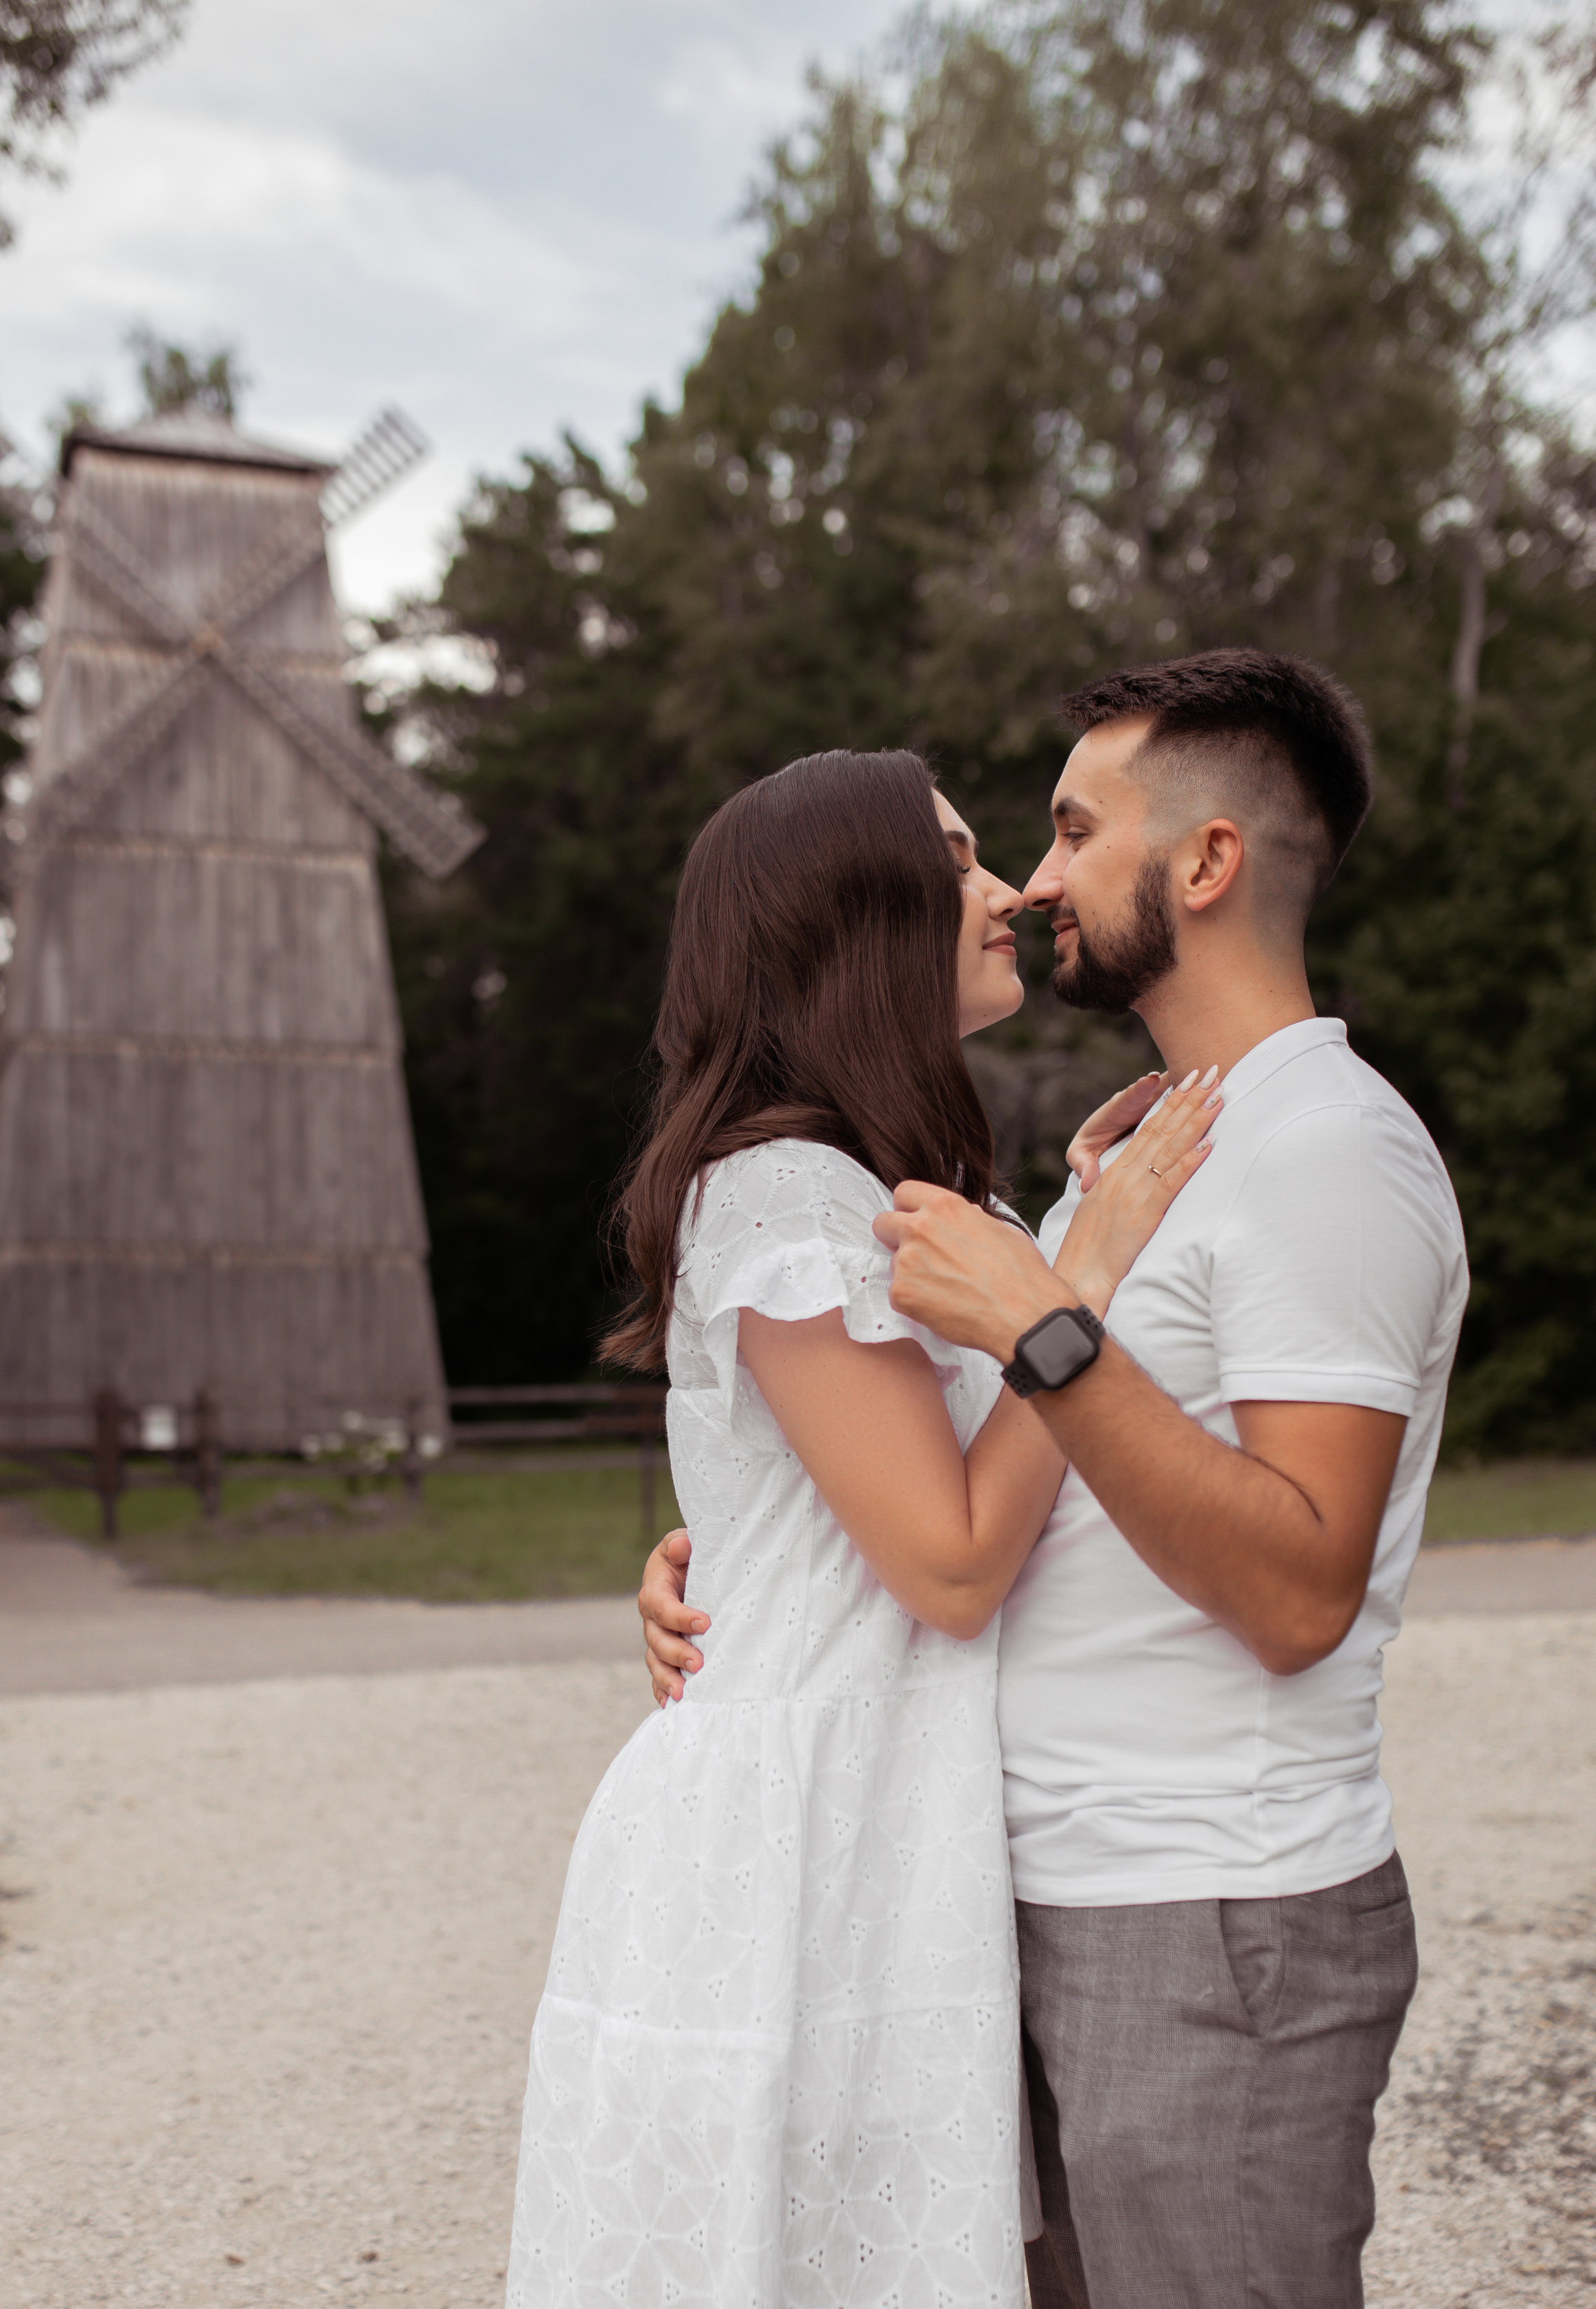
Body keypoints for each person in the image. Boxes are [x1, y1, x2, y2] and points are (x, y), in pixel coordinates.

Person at [641, 651, 1469, 2309]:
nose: (1028, 882)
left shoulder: (1323, 1148)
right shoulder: (1138, 1157)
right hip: (1010, 1891)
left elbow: (1299, 1589)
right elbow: (962, 1478)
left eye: (1072, 830)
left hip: (1203, 1903)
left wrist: (1046, 1325)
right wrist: (732, 1556)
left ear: (1206, 861)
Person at [506, 748, 1217, 2308]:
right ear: (852, 917)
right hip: (801, 1847)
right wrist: (1080, 1275)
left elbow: (861, 1497)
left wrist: (1063, 1231)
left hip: (891, 1814)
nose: (1005, 892)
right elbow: (951, 1561)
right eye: (954, 862)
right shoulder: (779, 1189)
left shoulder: (896, 1182)